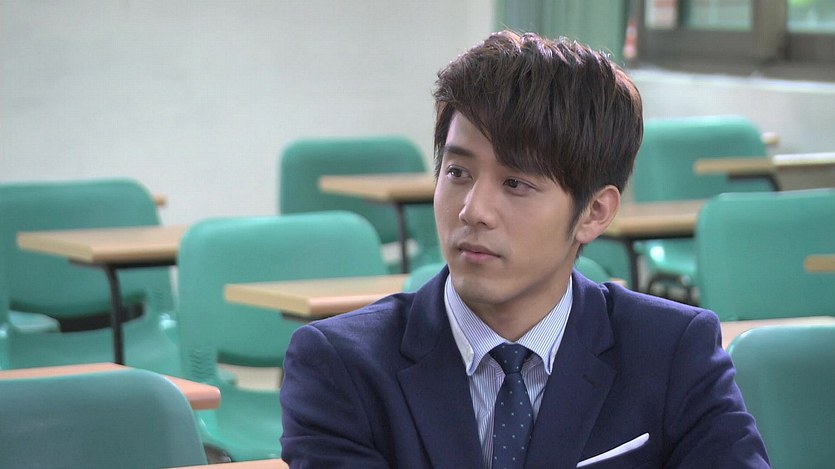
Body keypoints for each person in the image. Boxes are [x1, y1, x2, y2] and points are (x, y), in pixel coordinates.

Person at [279, 30, 769, 468]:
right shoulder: (341, 366)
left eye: (515, 183)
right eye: (457, 172)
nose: (473, 210)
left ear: (594, 212)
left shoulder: (671, 352)